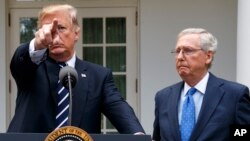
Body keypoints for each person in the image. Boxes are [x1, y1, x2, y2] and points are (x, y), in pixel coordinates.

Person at [8, 4, 145, 134]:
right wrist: (37, 45)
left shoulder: (98, 76)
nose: (54, 37)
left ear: (76, 33)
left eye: (61, 28)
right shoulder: (31, 66)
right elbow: (20, 60)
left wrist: (138, 135)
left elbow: (118, 107)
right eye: (49, 31)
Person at [152, 28, 250, 141]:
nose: (179, 57)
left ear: (208, 56)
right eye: (177, 51)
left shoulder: (234, 95)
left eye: (188, 50)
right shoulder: (163, 97)